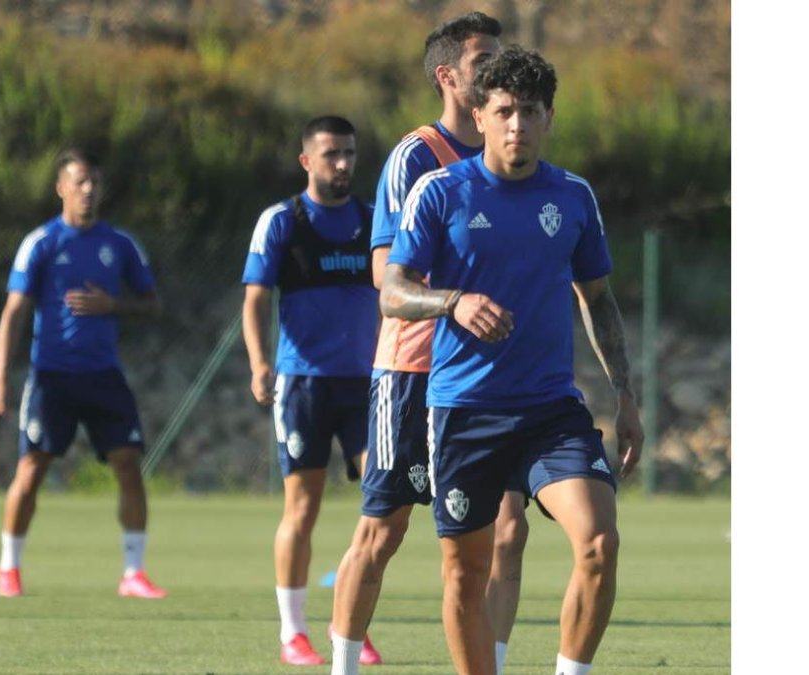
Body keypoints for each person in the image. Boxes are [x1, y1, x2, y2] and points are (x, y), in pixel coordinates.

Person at [381, 46, 644, 675]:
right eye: (504, 110)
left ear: (549, 117)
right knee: (466, 573)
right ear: (479, 117)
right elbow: (393, 290)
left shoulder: (574, 197)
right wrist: (452, 303)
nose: (517, 124)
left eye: (530, 111)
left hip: (551, 411)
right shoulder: (439, 192)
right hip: (465, 414)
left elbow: (598, 301)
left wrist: (625, 396)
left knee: (599, 542)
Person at [327, 12, 531, 675]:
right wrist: (458, 299)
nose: (497, 71)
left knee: (508, 527)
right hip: (413, 369)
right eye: (483, 62)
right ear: (448, 76)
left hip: (487, 378)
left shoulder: (507, 154)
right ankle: (342, 666)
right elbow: (384, 269)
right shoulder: (418, 156)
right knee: (383, 529)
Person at [0, 148, 167, 600]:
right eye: (80, 182)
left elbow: (153, 305)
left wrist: (114, 307)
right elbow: (14, 312)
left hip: (104, 375)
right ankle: (9, 566)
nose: (89, 190)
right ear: (61, 188)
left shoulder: (120, 244)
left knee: (129, 464)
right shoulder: (42, 242)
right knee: (32, 468)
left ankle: (133, 572)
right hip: (52, 375)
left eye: (95, 183)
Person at [241, 116, 380, 666]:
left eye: (348, 153)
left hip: (367, 384)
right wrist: (258, 363)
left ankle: (350, 621)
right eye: (330, 154)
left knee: (381, 504)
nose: (342, 164)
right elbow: (254, 298)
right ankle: (292, 632)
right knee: (303, 506)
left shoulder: (374, 221)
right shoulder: (282, 222)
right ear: (307, 161)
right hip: (302, 385)